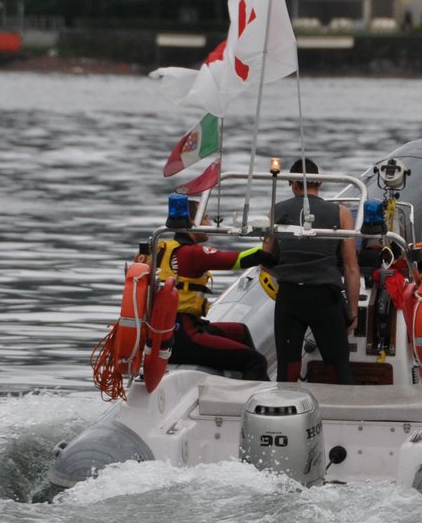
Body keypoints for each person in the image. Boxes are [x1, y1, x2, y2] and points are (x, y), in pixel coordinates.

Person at [264, 158, 362, 384]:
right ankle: (340, 412)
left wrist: (289, 274)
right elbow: (351, 267)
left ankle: (286, 411)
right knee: (338, 368)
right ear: (319, 183)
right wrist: (353, 311)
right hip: (324, 297)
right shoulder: (341, 213)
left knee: (287, 369)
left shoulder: (276, 211)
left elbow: (265, 260)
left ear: (294, 185)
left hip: (289, 297)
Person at [154, 198, 272, 381]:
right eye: (206, 218)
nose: (209, 223)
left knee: (240, 331)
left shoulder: (159, 251)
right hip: (184, 340)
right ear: (194, 222)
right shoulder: (193, 254)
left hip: (168, 334)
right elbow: (241, 259)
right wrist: (273, 246)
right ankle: (254, 403)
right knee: (256, 361)